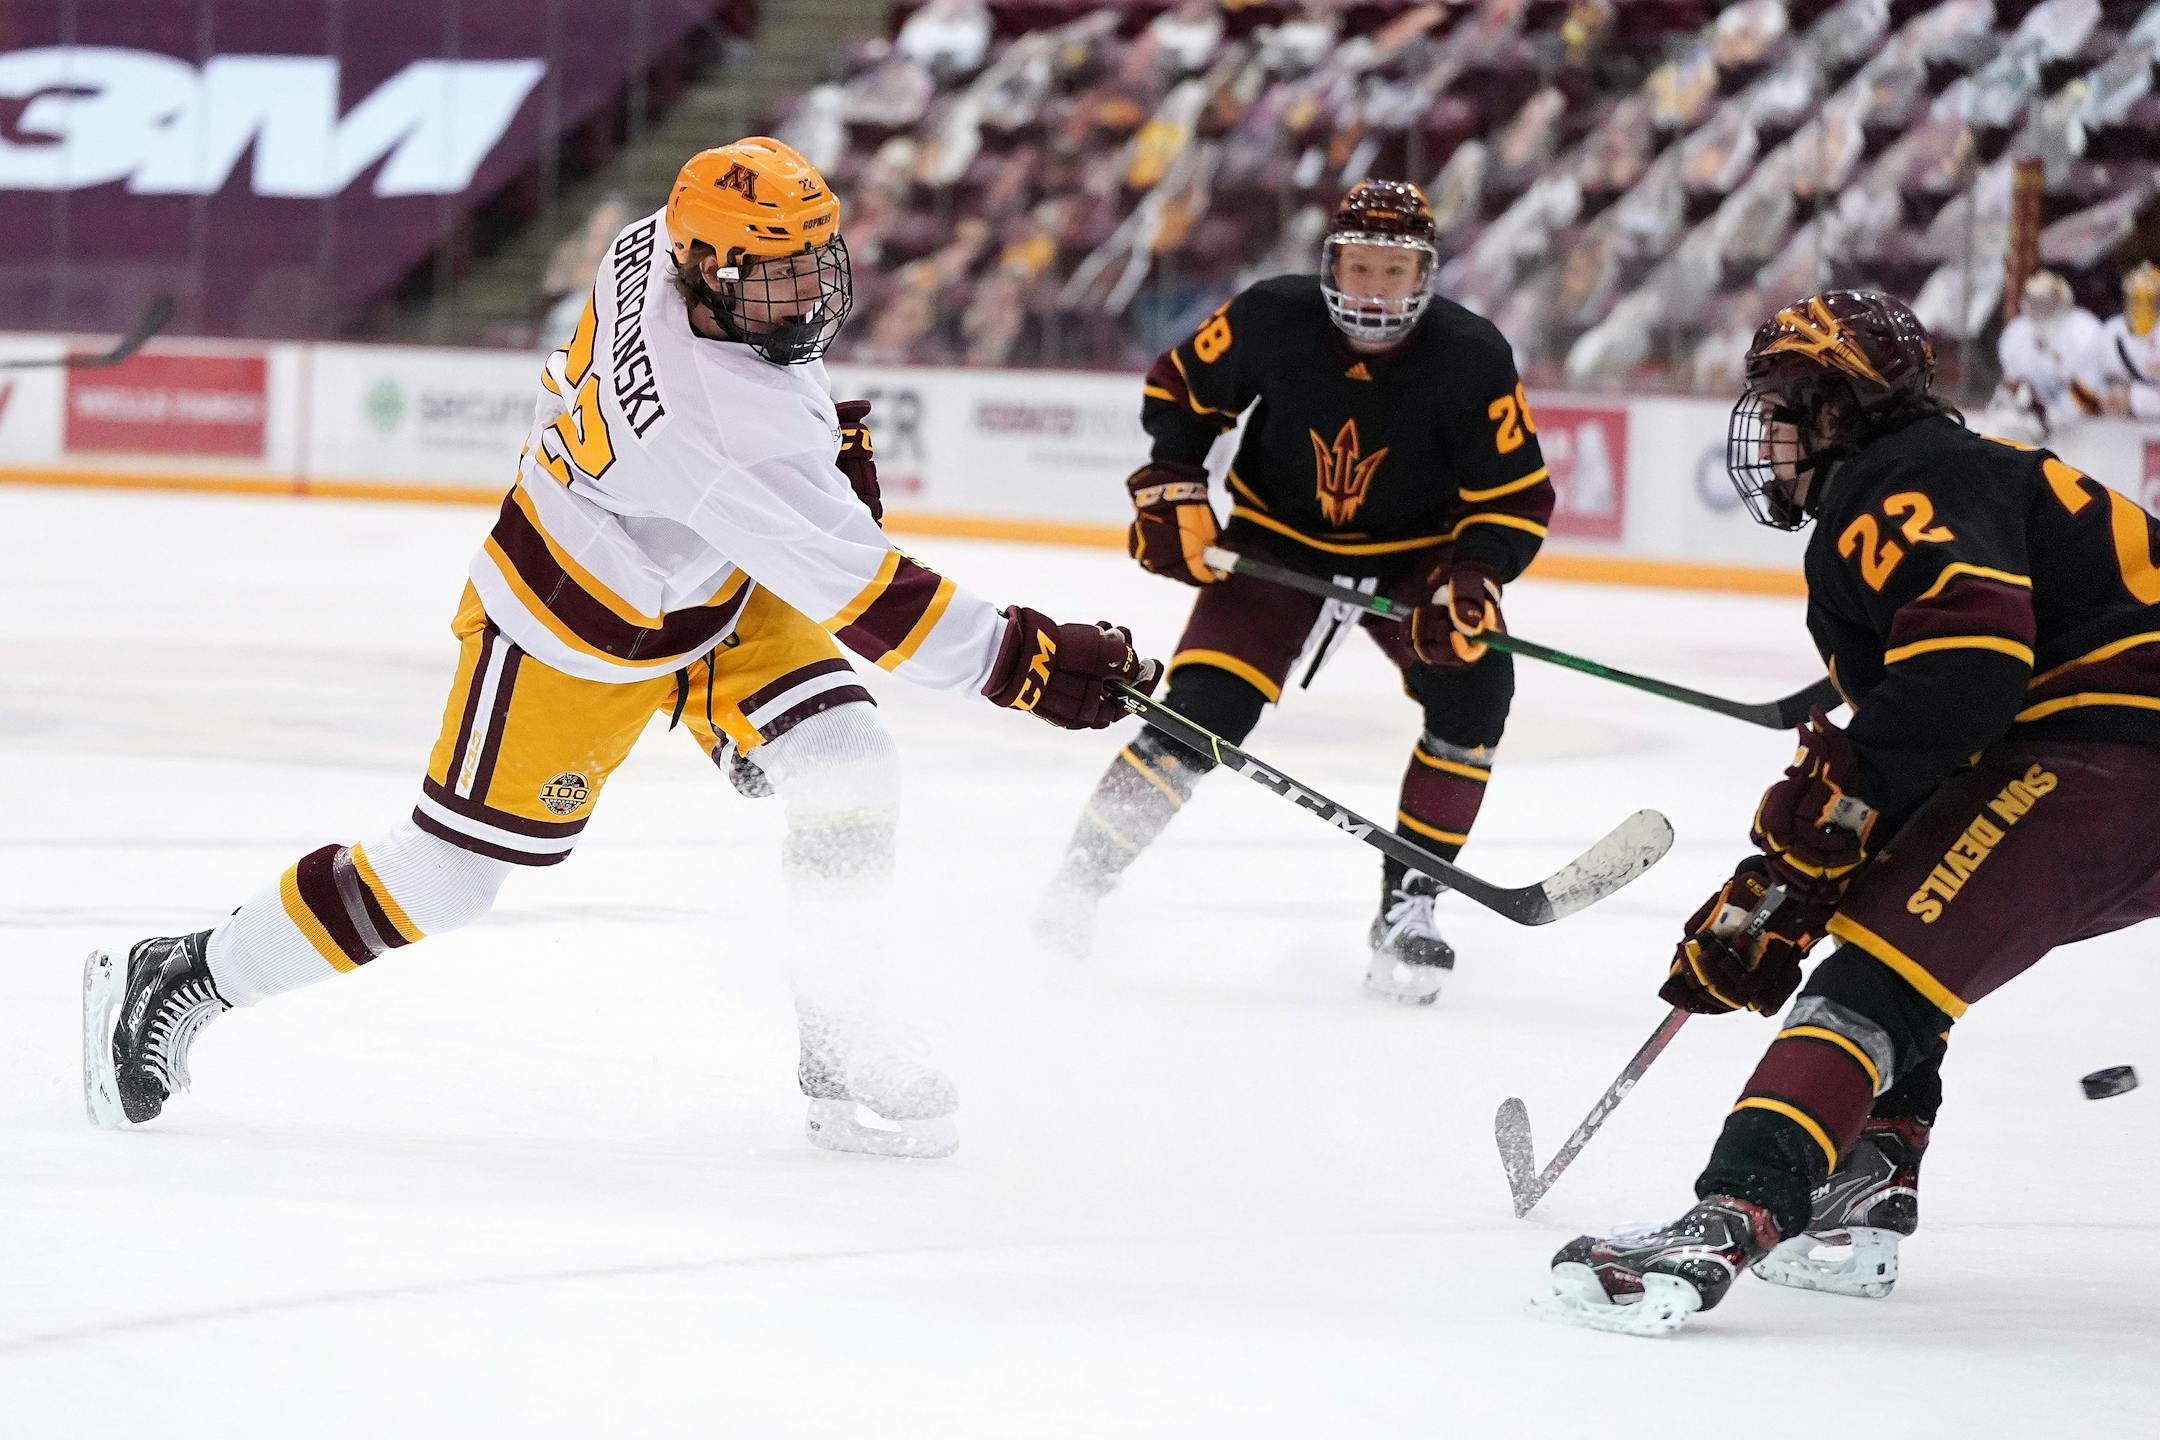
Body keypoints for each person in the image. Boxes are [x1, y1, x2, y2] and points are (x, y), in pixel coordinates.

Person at [82, 137, 1156, 1161]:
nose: (811, 299)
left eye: (813, 267)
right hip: (571, 622)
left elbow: (779, 432)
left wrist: (821, 457)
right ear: (708, 266)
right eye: (776, 279)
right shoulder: (715, 425)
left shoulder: (653, 239)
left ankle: (845, 1036)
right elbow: (876, 602)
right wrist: (1035, 665)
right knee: (448, 878)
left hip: (707, 580)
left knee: (847, 765)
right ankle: (182, 976)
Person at [1537, 290, 2160, 1335]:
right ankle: (1859, 1191)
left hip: (2109, 753)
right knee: (1894, 927)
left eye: (1784, 406)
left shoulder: (1895, 483)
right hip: (2105, 755)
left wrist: (1825, 822)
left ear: (1839, 410)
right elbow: (1966, 691)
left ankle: (1730, 1215)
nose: (1769, 436)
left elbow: (1969, 661)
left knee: (1872, 977)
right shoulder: (1961, 473)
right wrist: (1812, 868)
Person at [1034, 179, 1555, 1004]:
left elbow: (1514, 498)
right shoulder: (1271, 317)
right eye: (1358, 267)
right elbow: (1180, 392)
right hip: (1276, 541)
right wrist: (1172, 483)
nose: (1372, 289)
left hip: (1415, 556)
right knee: (1198, 713)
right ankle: (1075, 891)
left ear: (1424, 277)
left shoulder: (1473, 355)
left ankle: (1408, 904)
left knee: (1478, 689)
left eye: (1393, 271)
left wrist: (1475, 576)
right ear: (1329, 266)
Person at [1987, 269, 2106, 442]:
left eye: (2046, 302)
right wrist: (2028, 410)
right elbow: (2012, 386)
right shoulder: (2016, 333)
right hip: (2034, 419)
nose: (2041, 310)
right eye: (2035, 302)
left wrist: (2055, 414)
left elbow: (2091, 399)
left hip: (2082, 426)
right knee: (2004, 418)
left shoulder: (2085, 330)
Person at [2093, 260, 2160, 419]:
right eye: (2136, 299)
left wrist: (2133, 397)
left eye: (2150, 300)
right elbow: (2103, 381)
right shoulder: (2112, 330)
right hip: (2121, 422)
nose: (2142, 306)